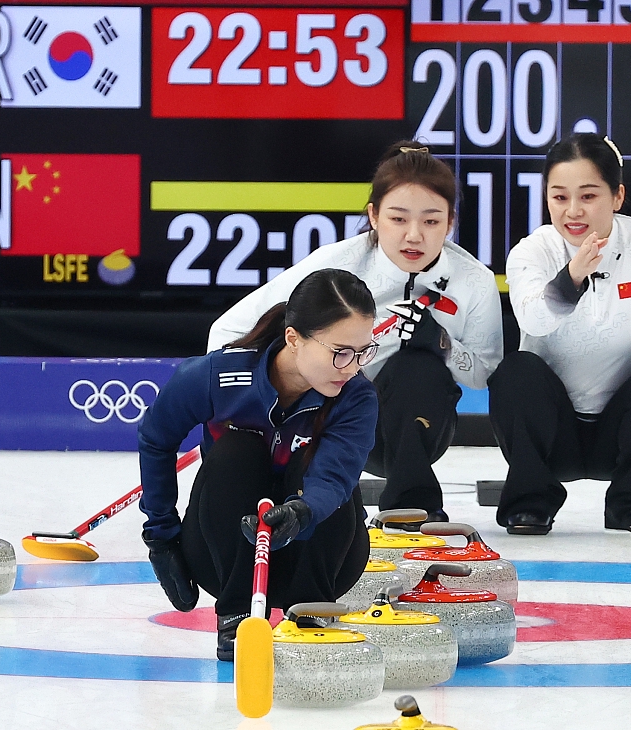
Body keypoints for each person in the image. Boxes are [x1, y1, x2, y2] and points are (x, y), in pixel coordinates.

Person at [208, 141, 503, 520]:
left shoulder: (474, 280)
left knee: (419, 367)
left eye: (431, 222)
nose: (414, 235)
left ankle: (412, 506)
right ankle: (300, 496)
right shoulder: (336, 265)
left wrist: (443, 345)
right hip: (326, 416)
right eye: (398, 219)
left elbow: (485, 373)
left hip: (411, 427)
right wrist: (254, 399)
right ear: (374, 216)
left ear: (450, 222)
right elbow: (226, 332)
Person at [138, 268, 379, 662]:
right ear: (294, 338)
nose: (352, 367)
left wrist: (301, 512)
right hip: (223, 554)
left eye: (363, 351)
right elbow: (155, 438)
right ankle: (235, 615)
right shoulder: (219, 375)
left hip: (321, 554)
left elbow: (335, 475)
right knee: (236, 449)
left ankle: (312, 613)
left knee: (313, 464)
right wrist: (161, 537)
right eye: (340, 352)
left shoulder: (356, 397)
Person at [489, 133, 631, 536]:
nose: (572, 211)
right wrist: (570, 279)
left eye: (588, 196)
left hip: (620, 435)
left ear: (617, 196)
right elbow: (534, 321)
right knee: (516, 371)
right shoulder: (532, 251)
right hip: (554, 435)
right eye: (559, 197)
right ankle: (530, 501)